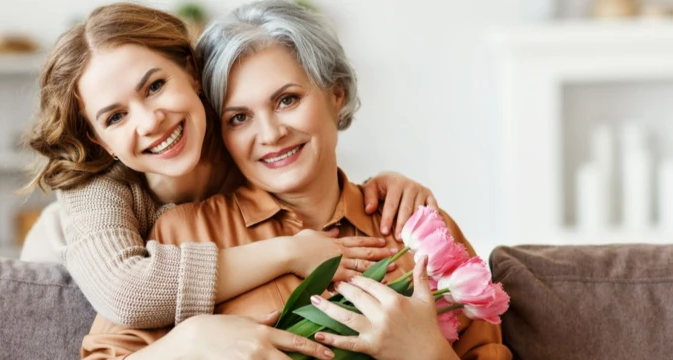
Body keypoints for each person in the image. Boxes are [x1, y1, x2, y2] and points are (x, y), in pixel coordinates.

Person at [80, 1, 511, 359]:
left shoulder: (417, 232)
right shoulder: (183, 233)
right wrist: (190, 342)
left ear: (336, 93)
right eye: (240, 117)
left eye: (287, 99)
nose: (270, 134)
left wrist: (428, 354)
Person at [24, 2, 439, 329]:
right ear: (98, 138)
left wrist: (381, 185)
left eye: (154, 86)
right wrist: (291, 252)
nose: (150, 122)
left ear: (191, 73)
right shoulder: (97, 188)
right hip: (66, 280)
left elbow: (307, 167)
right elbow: (129, 293)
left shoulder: (239, 138)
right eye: (115, 117)